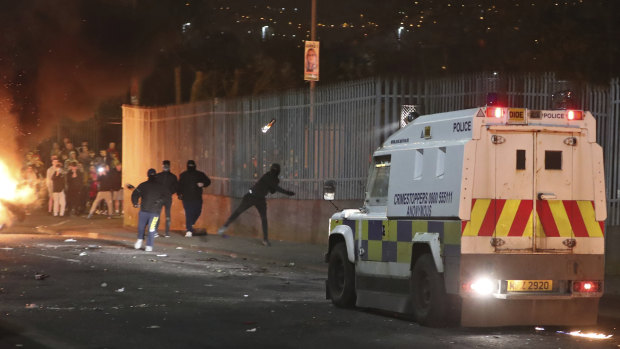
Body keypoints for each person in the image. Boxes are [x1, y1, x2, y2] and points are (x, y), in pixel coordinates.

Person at [217, 163, 294, 246]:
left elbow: (272, 190)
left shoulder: (273, 178)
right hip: (252, 196)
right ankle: (224, 227)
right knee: (241, 212)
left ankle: (265, 239)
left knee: (261, 218)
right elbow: (275, 188)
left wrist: (276, 188)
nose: (274, 171)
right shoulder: (267, 176)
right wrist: (287, 192)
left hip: (258, 198)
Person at [132, 168, 166, 252]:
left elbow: (135, 194)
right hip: (153, 212)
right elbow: (166, 196)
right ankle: (147, 245)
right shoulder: (160, 186)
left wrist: (135, 203)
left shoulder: (143, 185)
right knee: (150, 228)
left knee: (143, 227)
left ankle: (142, 241)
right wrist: (160, 201)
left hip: (148, 211)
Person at [177, 160, 210, 237]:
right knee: (188, 213)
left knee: (198, 211)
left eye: (192, 165)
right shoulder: (183, 175)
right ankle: (189, 230)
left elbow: (208, 181)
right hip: (187, 198)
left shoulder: (200, 174)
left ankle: (191, 223)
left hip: (197, 197)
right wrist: (179, 194)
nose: (191, 167)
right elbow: (179, 186)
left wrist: (203, 184)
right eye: (190, 165)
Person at [155, 160, 178, 237]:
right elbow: (175, 188)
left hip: (159, 197)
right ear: (169, 166)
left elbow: (154, 186)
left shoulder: (158, 176)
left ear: (162, 166)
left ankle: (155, 231)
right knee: (167, 215)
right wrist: (170, 192)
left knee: (157, 214)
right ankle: (167, 233)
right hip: (168, 198)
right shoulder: (173, 177)